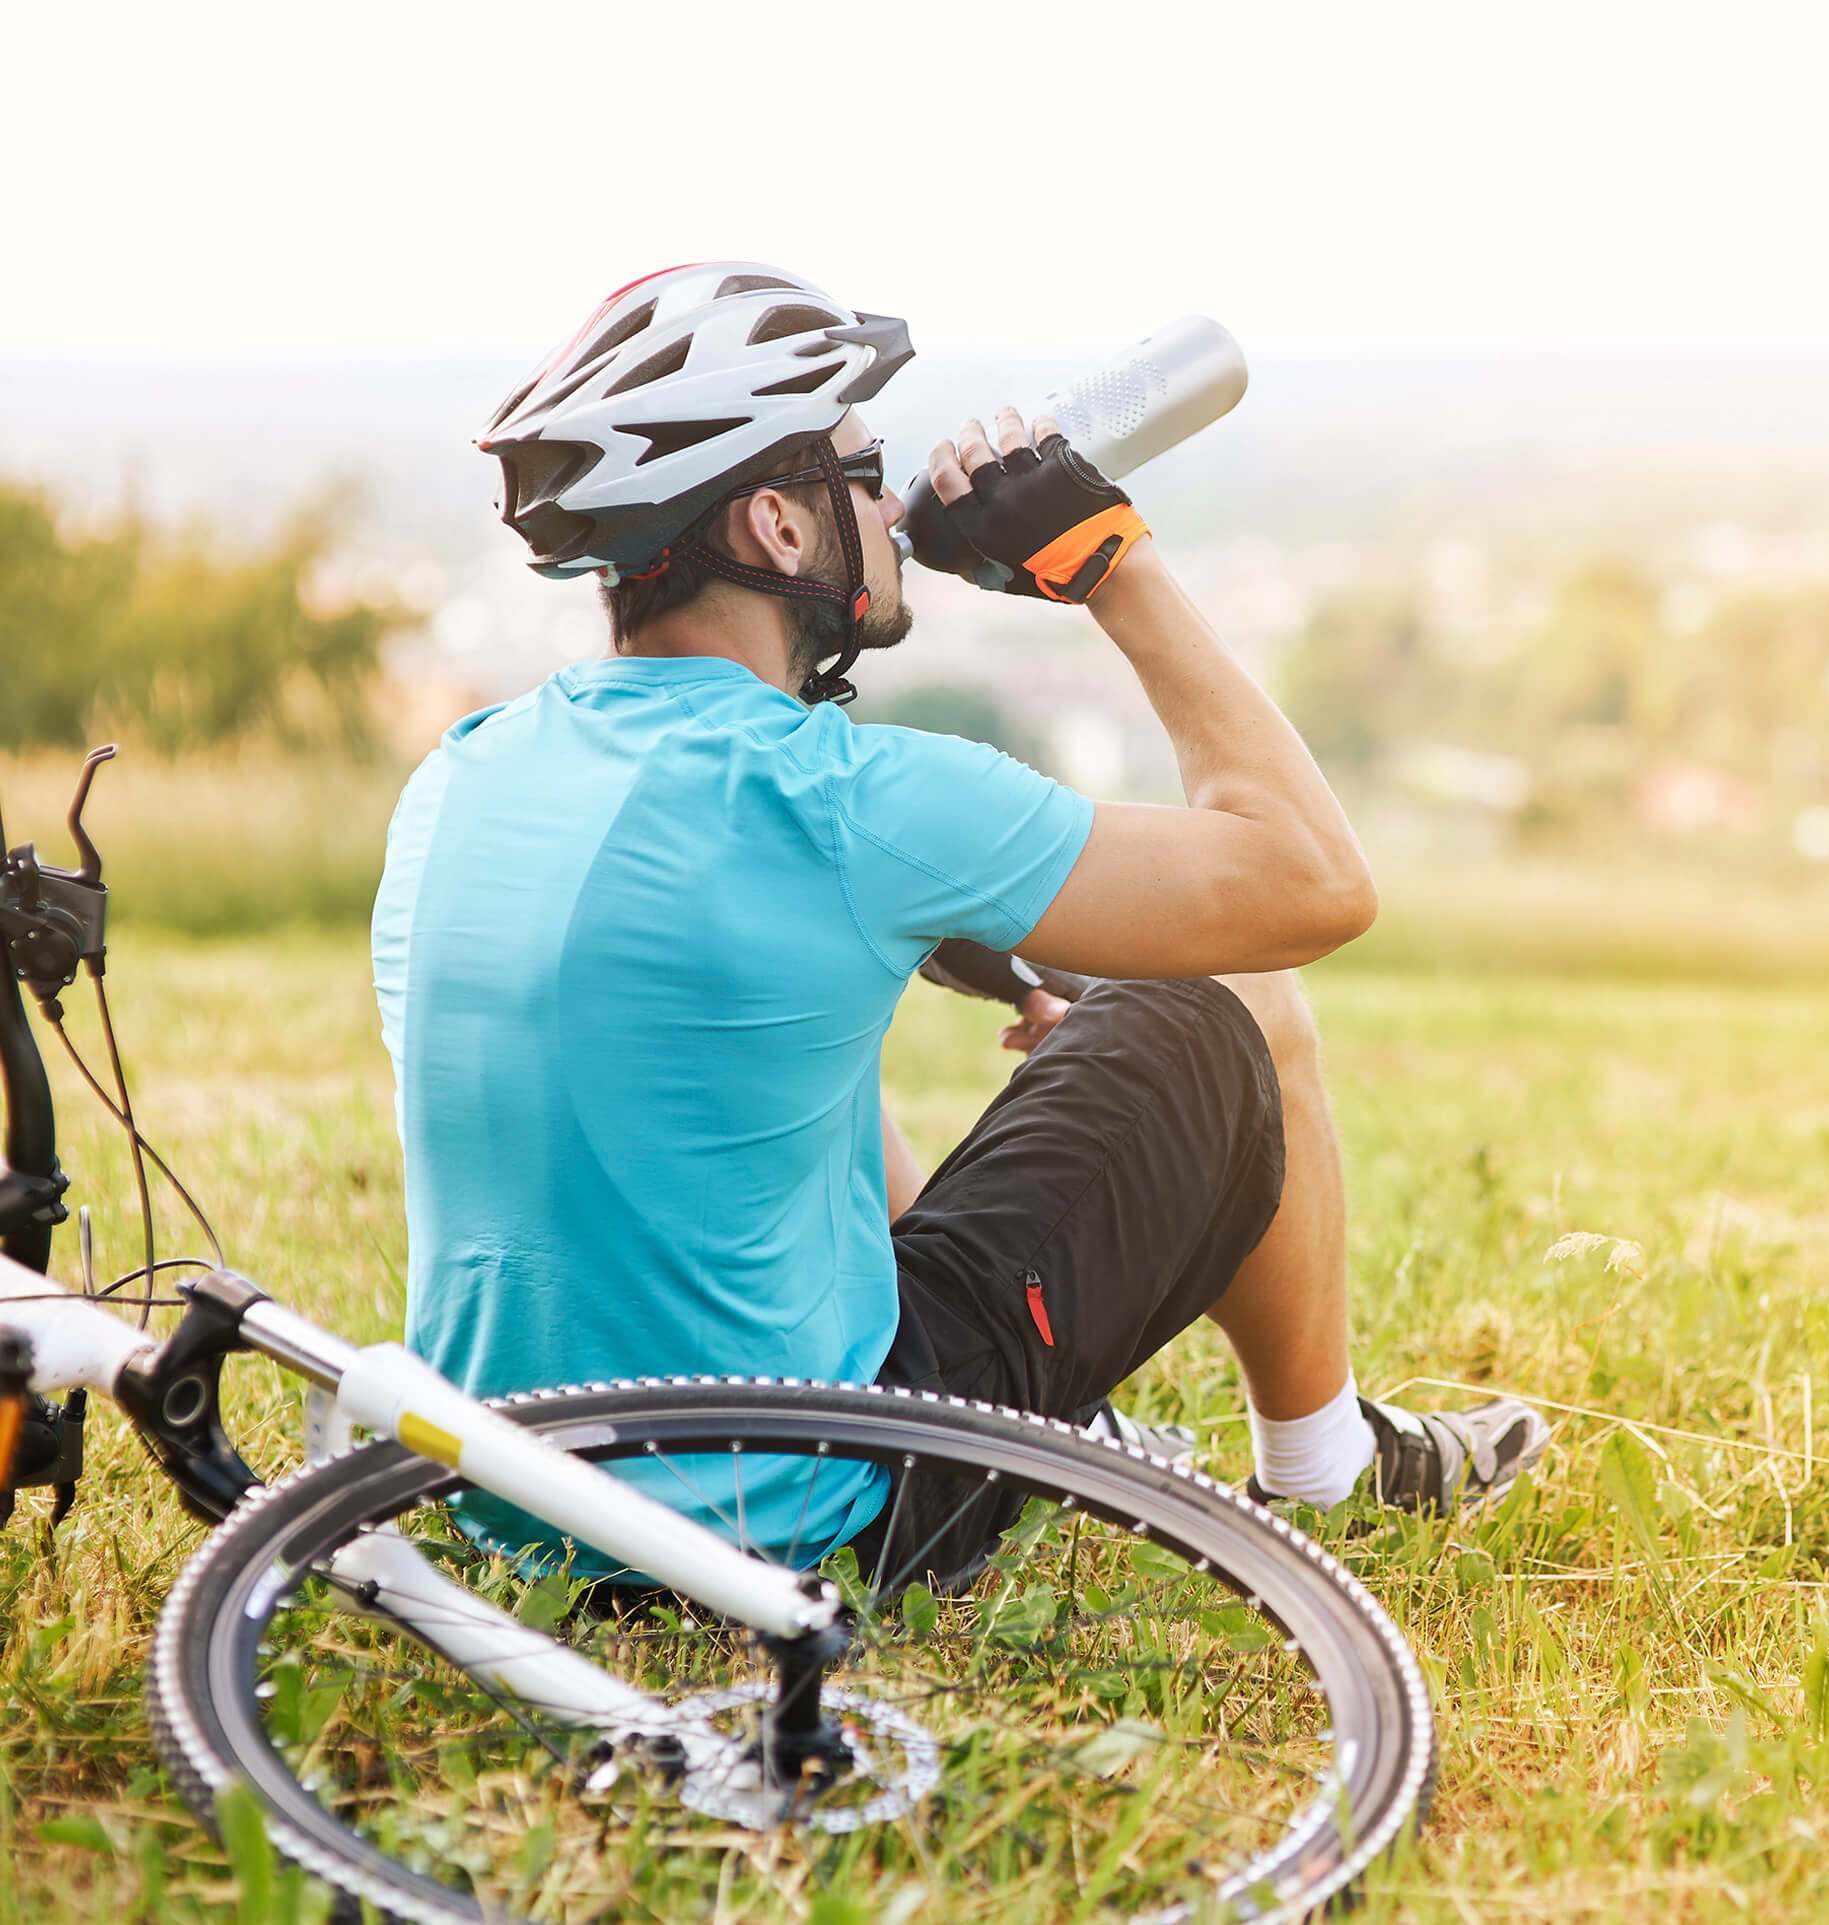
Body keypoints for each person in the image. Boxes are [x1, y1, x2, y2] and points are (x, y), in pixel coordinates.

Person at [372, 262, 1546, 1567]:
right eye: (864, 477)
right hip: (808, 1525)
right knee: (1229, 1006)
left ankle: (1081, 1418)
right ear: (778, 524)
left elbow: (673, 1005)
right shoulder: (846, 795)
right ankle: (1328, 1470)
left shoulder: (464, 777)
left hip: (516, 1511)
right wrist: (1109, 562)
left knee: (757, 1084)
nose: (890, 504)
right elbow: (1313, 884)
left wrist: (947, 935)